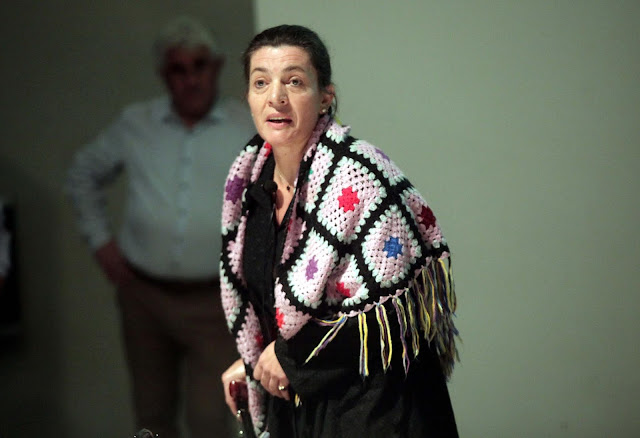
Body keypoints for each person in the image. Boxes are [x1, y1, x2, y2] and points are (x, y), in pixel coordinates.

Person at [220, 25, 459, 437]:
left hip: (376, 409)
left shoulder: (360, 175)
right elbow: (271, 308)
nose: (276, 97)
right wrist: (255, 361)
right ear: (248, 96)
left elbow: (392, 314)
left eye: (294, 81)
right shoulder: (250, 184)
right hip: (301, 410)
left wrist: (290, 356)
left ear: (325, 97)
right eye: (261, 82)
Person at [66, 16, 254, 438]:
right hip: (144, 299)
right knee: (152, 417)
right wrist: (100, 242)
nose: (191, 79)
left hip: (215, 304)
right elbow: (82, 175)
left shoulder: (245, 127)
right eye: (178, 69)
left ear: (216, 67)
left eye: (199, 65)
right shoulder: (136, 124)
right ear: (164, 75)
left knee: (210, 419)